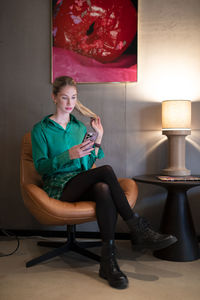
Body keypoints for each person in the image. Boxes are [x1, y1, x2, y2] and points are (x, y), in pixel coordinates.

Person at [31, 76, 177, 290]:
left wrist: (98, 138)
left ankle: (108, 263)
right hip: (58, 186)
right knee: (106, 171)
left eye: (73, 97)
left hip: (79, 181)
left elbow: (87, 164)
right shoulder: (40, 129)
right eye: (64, 98)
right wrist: (67, 155)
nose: (70, 103)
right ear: (54, 97)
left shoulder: (79, 128)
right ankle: (136, 227)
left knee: (103, 188)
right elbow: (40, 167)